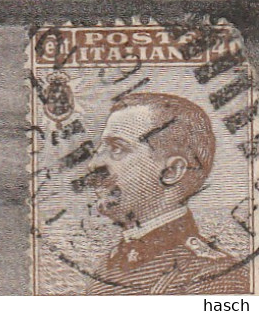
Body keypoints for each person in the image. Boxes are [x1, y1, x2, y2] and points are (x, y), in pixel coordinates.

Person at [85, 92, 249, 294]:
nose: (94, 165)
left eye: (117, 149)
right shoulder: (106, 266)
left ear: (171, 171)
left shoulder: (212, 276)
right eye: (99, 151)